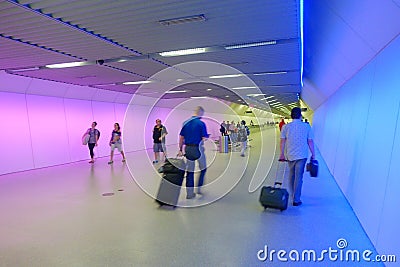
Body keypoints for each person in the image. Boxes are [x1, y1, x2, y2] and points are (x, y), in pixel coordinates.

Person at [279, 107, 315, 206]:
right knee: (299, 176)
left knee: (291, 174)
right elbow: (310, 141)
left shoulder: (285, 127)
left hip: (290, 154)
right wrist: (313, 154)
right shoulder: (306, 126)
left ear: (291, 116)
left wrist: (281, 154)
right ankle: (296, 199)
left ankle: (292, 194)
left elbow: (282, 141)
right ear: (300, 115)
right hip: (302, 155)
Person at [178, 106, 209, 199]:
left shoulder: (185, 123)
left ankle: (189, 193)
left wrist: (180, 149)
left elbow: (181, 138)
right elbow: (204, 138)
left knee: (190, 171)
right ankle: (199, 188)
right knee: (203, 168)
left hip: (188, 149)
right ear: (200, 113)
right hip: (198, 149)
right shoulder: (201, 123)